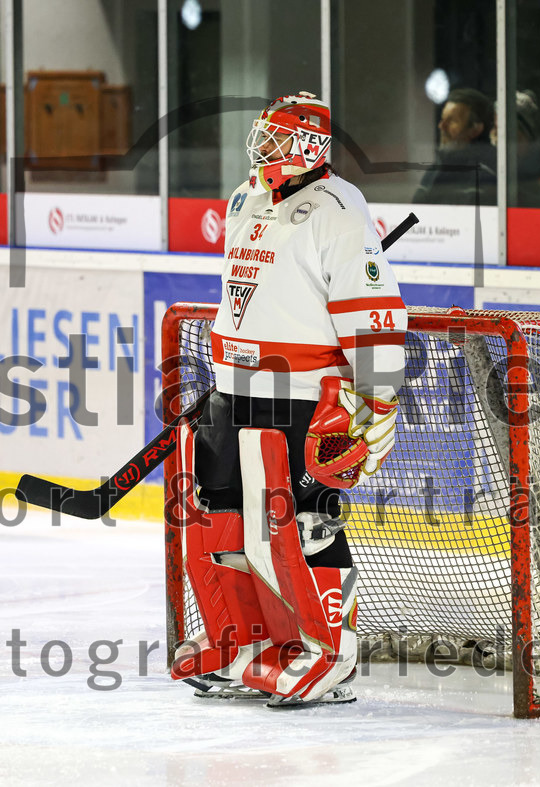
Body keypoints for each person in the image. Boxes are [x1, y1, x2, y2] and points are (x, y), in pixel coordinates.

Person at [169, 92, 408, 707]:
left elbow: (373, 309)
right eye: (262, 136)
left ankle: (330, 652)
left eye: (275, 138)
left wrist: (376, 400)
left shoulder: (340, 208)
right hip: (232, 387)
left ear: (309, 147)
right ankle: (246, 642)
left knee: (301, 521)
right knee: (221, 518)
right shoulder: (245, 197)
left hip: (302, 395)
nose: (262, 148)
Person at [413, 87, 497, 205]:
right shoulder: (436, 169)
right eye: (442, 119)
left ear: (475, 129)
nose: (442, 126)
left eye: (452, 121)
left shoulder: (487, 176)